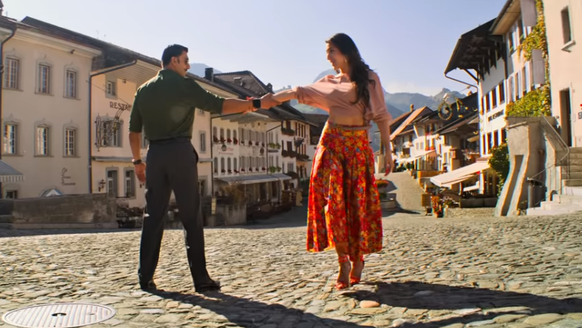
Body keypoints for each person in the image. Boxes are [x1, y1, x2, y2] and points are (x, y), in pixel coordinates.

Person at [128, 44, 279, 293]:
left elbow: (133, 131)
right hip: (180, 153)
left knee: (152, 216)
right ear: (174, 60)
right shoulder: (184, 85)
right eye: (186, 60)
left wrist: (137, 161)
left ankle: (145, 278)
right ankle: (200, 279)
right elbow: (219, 105)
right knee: (191, 217)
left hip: (154, 155)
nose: (188, 65)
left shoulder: (143, 90)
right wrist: (255, 104)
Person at [272, 33, 393, 289]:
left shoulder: (370, 80)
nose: (328, 57)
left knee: (357, 206)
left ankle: (358, 257)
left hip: (359, 147)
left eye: (331, 51)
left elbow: (381, 116)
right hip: (332, 144)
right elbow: (296, 92)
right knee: (333, 203)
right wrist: (262, 101)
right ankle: (343, 262)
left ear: (346, 52)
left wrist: (388, 151)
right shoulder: (328, 82)